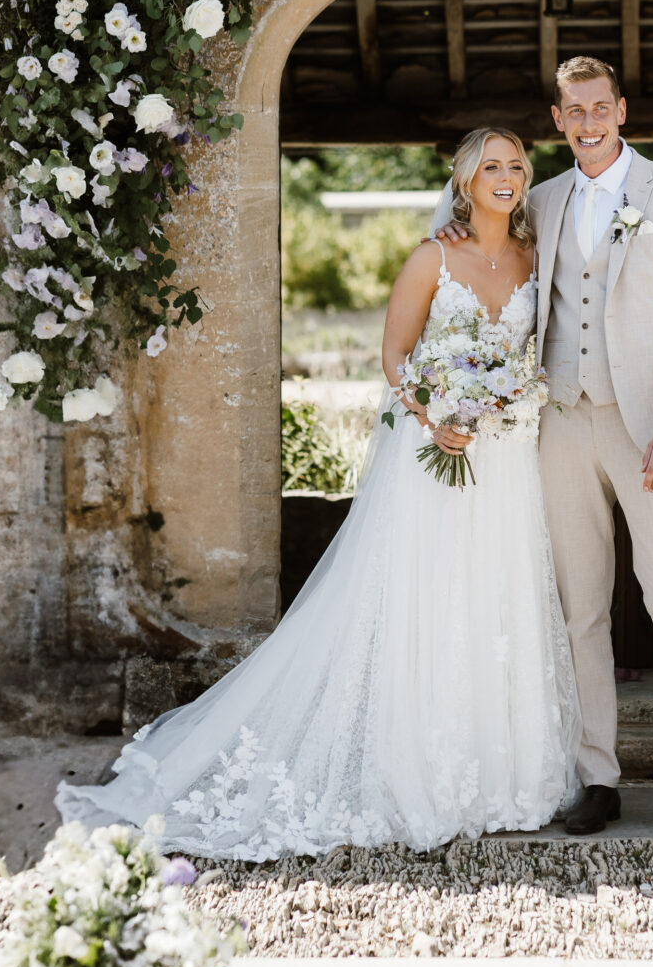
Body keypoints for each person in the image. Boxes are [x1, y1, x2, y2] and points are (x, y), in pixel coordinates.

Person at [55, 128, 581, 859]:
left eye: (516, 165)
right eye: (490, 165)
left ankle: (503, 775)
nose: (506, 175)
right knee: (424, 600)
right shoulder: (434, 257)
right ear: (464, 181)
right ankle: (418, 769)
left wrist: (506, 404)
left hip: (507, 467)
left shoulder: (532, 256)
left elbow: (531, 354)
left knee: (495, 599)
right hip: (433, 455)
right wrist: (439, 416)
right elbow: (395, 356)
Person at [439, 57, 653, 837]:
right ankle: (596, 775)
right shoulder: (541, 200)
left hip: (651, 427)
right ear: (560, 118)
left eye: (601, 107)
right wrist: (455, 233)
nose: (590, 121)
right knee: (580, 610)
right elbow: (494, 255)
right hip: (560, 423)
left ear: (622, 111)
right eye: (576, 111)